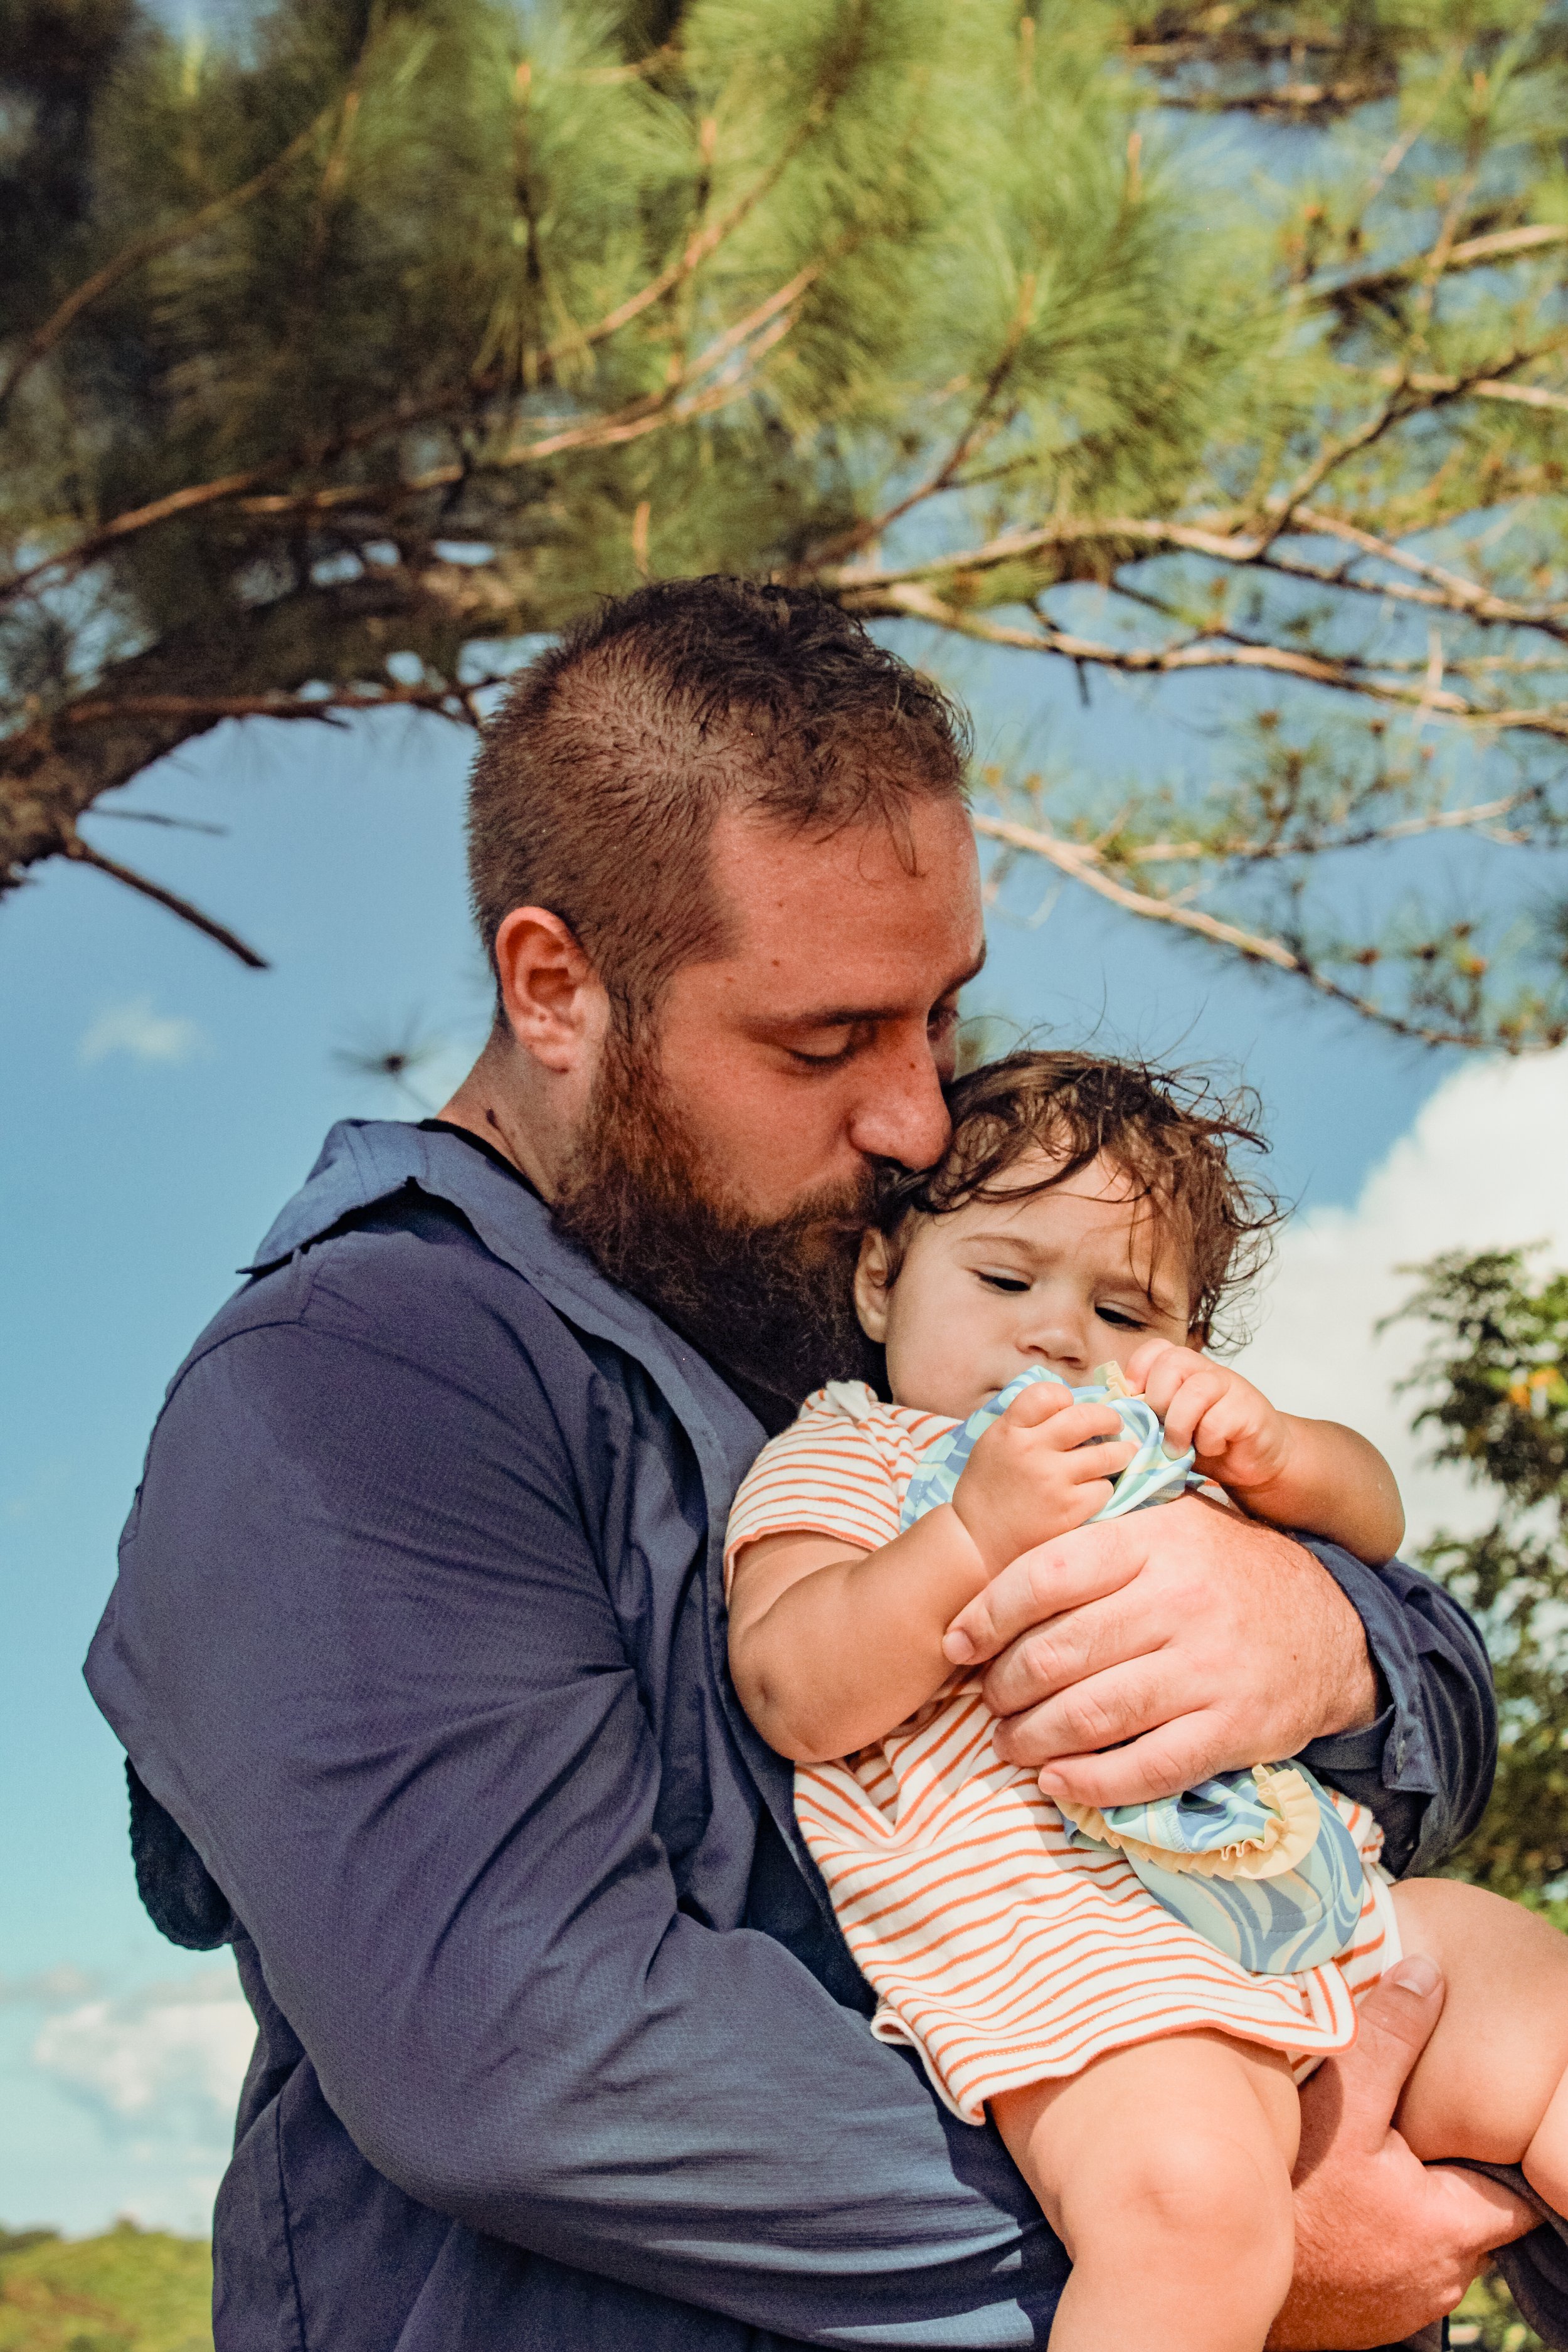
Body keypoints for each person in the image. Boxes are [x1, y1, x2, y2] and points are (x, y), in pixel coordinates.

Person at [85, 578, 1525, 2351]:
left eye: (938, 1014)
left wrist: (1316, 1632)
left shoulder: (878, 1285)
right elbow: (523, 2052)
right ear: (556, 988)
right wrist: (1209, 2223)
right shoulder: (356, 1379)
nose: (919, 1115)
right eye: (824, 1038)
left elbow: (1432, 1716)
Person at [725, 1050, 1568, 2352]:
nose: (1060, 1334)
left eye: (1124, 1316)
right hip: (1084, 1975)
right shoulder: (850, 1453)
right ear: (882, 1279)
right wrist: (966, 1534)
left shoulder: (1157, 1446)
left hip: (1307, 1910)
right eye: (1003, 1279)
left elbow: (1378, 1517)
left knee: (1541, 2006)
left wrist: (1282, 1455)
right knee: (1193, 2212)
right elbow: (795, 1685)